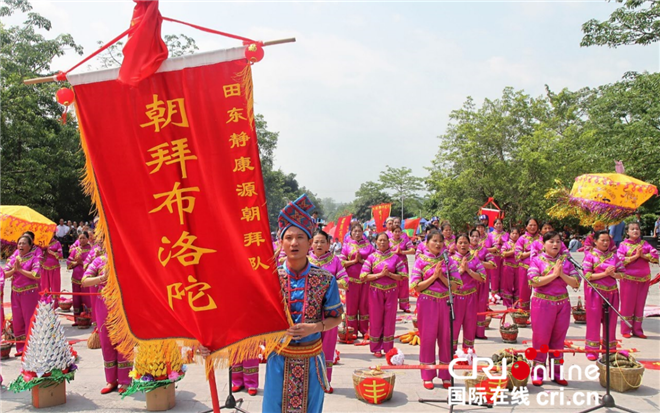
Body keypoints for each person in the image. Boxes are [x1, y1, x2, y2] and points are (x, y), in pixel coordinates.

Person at [262, 195, 342, 413]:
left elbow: (337, 317)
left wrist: (315, 327)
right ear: (281, 242)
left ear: (310, 242)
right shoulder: (270, 279)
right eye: (288, 237)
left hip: (311, 359)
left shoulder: (326, 279)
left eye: (300, 237)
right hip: (278, 358)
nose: (294, 243)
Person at [528, 231, 580, 387]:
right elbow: (534, 281)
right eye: (551, 241)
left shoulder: (566, 262)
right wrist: (554, 274)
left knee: (558, 340)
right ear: (543, 244)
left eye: (558, 241)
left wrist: (561, 274)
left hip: (562, 304)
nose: (555, 244)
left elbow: (576, 282)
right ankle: (538, 373)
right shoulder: (536, 260)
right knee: (541, 339)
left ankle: (557, 373)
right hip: (542, 304)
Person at [411, 230, 460, 390]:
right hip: (427, 303)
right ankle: (428, 374)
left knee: (446, 339)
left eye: (440, 241)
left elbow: (456, 286)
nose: (438, 244)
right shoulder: (420, 261)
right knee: (428, 338)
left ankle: (446, 374)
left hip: (446, 302)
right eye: (434, 241)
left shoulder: (449, 261)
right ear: (427, 243)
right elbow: (415, 286)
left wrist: (442, 277)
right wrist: (434, 277)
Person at [81, 250, 132, 394]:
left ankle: (125, 380)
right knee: (106, 340)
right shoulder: (99, 261)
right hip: (103, 305)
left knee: (122, 341)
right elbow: (84, 281)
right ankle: (111, 380)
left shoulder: (126, 257)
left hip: (122, 304)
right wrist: (101, 278)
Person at [309, 229, 348, 392]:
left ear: (328, 244)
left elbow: (345, 281)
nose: (319, 244)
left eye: (322, 242)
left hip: (330, 309)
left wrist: (329, 283)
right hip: (309, 309)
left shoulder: (335, 261)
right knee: (309, 344)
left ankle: (325, 380)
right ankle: (309, 381)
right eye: (316, 241)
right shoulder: (305, 259)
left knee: (328, 345)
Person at [360, 232, 405, 358]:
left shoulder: (395, 258)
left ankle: (388, 347)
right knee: (375, 319)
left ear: (388, 242)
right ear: (376, 242)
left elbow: (403, 276)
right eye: (380, 240)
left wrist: (389, 275)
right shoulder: (371, 257)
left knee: (389, 319)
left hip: (391, 291)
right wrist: (380, 275)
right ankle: (376, 347)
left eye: (385, 240)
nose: (382, 242)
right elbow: (363, 276)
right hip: (375, 292)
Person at [582, 230, 623, 361]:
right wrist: (605, 274)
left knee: (610, 321)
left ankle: (609, 350)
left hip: (612, 292)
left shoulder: (614, 257)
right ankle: (592, 350)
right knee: (593, 321)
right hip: (595, 292)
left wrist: (613, 275)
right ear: (595, 241)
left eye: (607, 240)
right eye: (602, 240)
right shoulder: (590, 256)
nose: (605, 243)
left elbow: (623, 274)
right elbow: (587, 276)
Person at [617, 222, 659, 338]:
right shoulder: (623, 245)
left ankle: (638, 330)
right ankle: (625, 329)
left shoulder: (645, 244)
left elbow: (655, 256)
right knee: (627, 304)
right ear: (627, 232)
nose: (635, 231)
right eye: (632, 229)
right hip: (628, 279)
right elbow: (620, 260)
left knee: (640, 305)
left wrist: (643, 256)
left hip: (643, 279)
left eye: (637, 229)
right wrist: (635, 256)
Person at [4, 235, 42, 356]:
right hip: (15, 293)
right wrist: (14, 270)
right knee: (17, 320)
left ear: (30, 246)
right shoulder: (14, 258)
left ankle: (30, 347)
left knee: (29, 319)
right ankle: (20, 347)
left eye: (24, 243)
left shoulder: (34, 258)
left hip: (29, 293)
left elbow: (36, 275)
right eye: (19, 243)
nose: (20, 246)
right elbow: (4, 274)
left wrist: (20, 270)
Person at [451, 233, 485, 354]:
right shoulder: (451, 260)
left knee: (470, 325)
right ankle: (452, 352)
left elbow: (482, 277)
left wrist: (468, 271)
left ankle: (468, 352)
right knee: (454, 326)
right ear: (456, 245)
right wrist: (460, 271)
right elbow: (447, 279)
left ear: (469, 244)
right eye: (460, 243)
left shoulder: (474, 259)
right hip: (455, 297)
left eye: (465, 242)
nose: (463, 245)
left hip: (471, 297)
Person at [339, 222, 374, 339]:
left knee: (364, 305)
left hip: (365, 280)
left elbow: (375, 261)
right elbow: (342, 262)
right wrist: (354, 262)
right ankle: (351, 330)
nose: (357, 233)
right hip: (352, 281)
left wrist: (363, 262)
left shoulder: (369, 246)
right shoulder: (346, 246)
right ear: (351, 233)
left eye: (359, 231)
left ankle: (364, 330)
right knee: (351, 306)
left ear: (363, 233)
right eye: (355, 231)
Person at [470, 228, 496, 339]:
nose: (475, 238)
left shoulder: (484, 250)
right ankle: (469, 332)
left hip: (481, 282)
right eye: (473, 236)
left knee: (481, 305)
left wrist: (479, 262)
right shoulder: (464, 249)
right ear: (469, 237)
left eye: (477, 236)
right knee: (470, 307)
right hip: (469, 282)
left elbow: (493, 264)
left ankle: (480, 332)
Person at [515, 218, 542, 310]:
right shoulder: (521, 239)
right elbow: (518, 255)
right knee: (524, 291)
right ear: (526, 227)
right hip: (525, 269)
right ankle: (523, 313)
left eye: (534, 225)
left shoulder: (541, 239)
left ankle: (539, 311)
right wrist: (532, 252)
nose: (533, 227)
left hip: (540, 269)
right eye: (530, 225)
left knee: (541, 291)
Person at [67, 232, 93, 322]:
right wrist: (76, 263)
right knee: (76, 299)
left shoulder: (91, 250)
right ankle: (78, 320)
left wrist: (81, 263)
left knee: (87, 299)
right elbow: (68, 263)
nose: (81, 240)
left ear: (88, 239)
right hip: (76, 278)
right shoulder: (75, 250)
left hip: (87, 278)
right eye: (80, 238)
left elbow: (93, 264)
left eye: (83, 238)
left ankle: (89, 319)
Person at [389, 225, 414, 313]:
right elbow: (384, 252)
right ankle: (392, 305)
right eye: (395, 231)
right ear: (392, 232)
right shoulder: (388, 242)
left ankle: (405, 306)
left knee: (403, 284)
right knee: (394, 284)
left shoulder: (404, 240)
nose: (397, 233)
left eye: (399, 231)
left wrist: (402, 252)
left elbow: (412, 250)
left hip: (403, 264)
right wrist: (394, 252)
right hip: (393, 265)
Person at [485, 218, 508, 303]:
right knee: (494, 276)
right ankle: (494, 294)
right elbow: (487, 247)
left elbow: (510, 245)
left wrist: (502, 243)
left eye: (500, 223)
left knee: (503, 275)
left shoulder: (506, 234)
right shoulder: (490, 235)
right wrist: (494, 248)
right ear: (494, 225)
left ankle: (502, 293)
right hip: (494, 257)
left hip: (504, 257)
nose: (498, 225)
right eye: (497, 223)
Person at [40, 232, 63, 306]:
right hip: (44, 267)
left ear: (54, 234)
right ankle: (45, 302)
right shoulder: (42, 243)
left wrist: (52, 252)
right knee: (44, 285)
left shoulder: (57, 243)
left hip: (54, 267)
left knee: (55, 286)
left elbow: (61, 255)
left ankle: (55, 303)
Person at [500, 227, 520, 308]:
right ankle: (508, 304)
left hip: (518, 267)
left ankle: (517, 304)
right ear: (510, 234)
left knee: (518, 286)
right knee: (507, 286)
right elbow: (503, 254)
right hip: (508, 267)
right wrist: (513, 251)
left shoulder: (520, 244)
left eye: (516, 233)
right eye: (513, 233)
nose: (514, 235)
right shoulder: (506, 244)